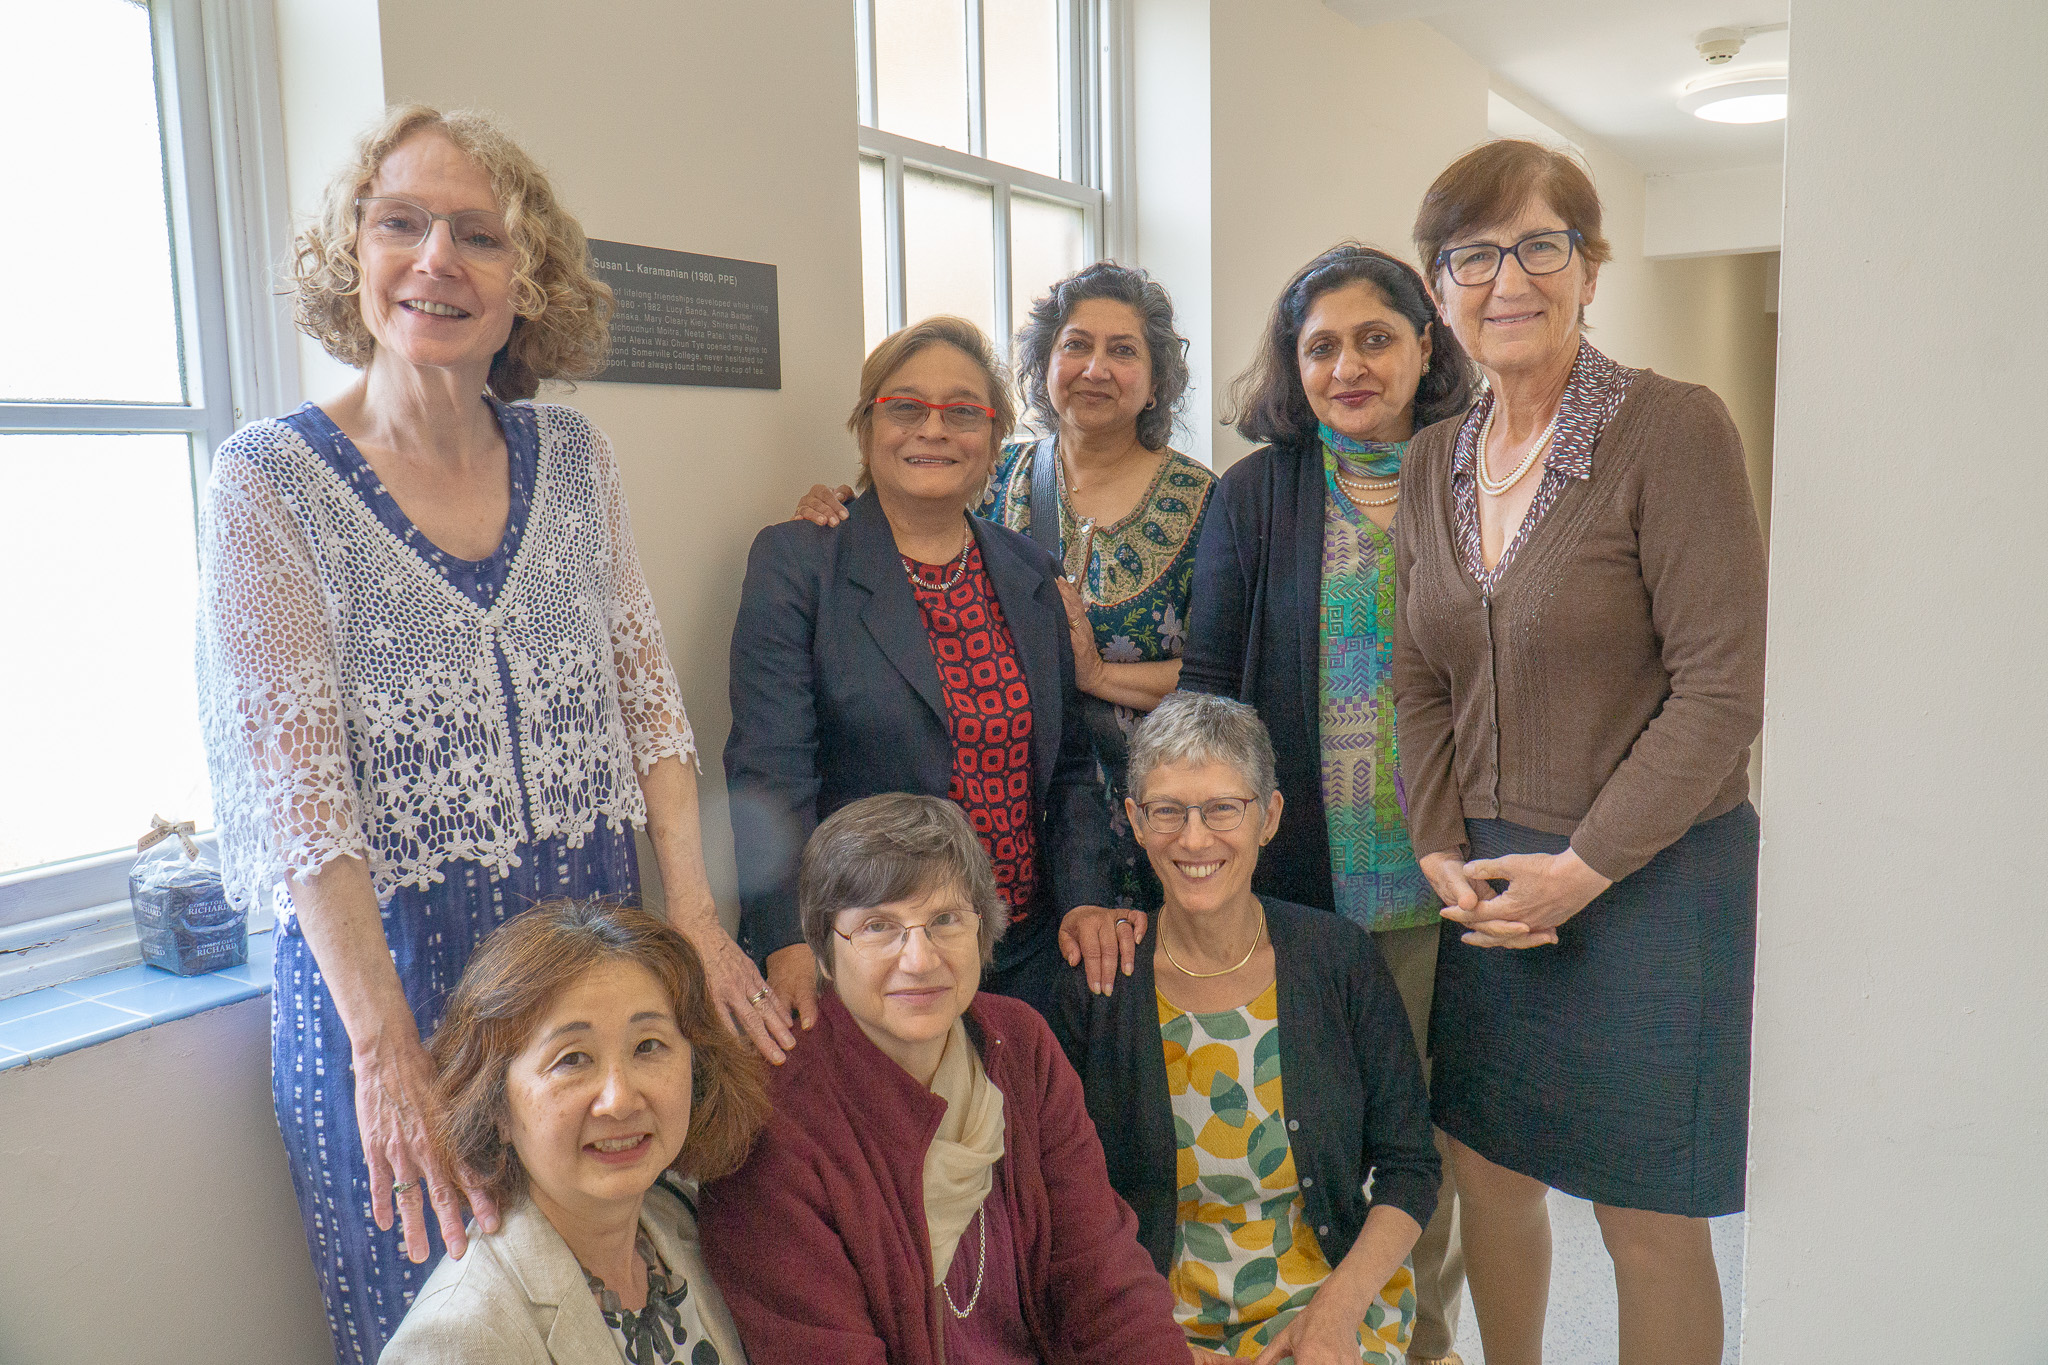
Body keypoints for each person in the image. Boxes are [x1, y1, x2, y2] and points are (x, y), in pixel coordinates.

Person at [195, 105, 788, 1364]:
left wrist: (694, 922)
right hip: (396, 996)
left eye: (478, 235)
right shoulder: (270, 484)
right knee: (455, 1327)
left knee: (620, 1303)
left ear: (529, 282)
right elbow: (302, 801)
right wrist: (383, 1053)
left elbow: (649, 708)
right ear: (349, 257)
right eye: (399, 223)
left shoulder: (572, 458)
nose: (436, 261)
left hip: (585, 968)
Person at [1393, 139, 1767, 1365]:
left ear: (1588, 268)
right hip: (1491, 883)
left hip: (1652, 875)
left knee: (1645, 1217)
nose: (1508, 279)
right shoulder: (1431, 460)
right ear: (1439, 285)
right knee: (1488, 1170)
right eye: (1472, 255)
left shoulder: (1670, 429)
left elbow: (1723, 689)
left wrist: (1586, 865)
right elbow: (1417, 677)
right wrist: (1436, 842)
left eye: (1539, 246)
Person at [1169, 243, 1478, 1365]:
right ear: (1291, 366)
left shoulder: (1474, 470)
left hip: (1449, 881)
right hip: (1300, 883)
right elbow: (1206, 688)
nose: (1347, 365)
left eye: (1373, 337)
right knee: (1301, 1131)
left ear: (1423, 343)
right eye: (1319, 347)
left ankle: (1419, 1340)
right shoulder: (1255, 494)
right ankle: (1307, 1319)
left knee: (1423, 1136)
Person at [698, 794, 1191, 1365]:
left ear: (983, 929)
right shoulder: (773, 1114)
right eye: (880, 926)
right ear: (823, 952)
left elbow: (1105, 1280)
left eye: (945, 920)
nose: (920, 959)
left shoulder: (1020, 1044)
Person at [793, 263, 1216, 921]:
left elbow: (1223, 675)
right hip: (1013, 819)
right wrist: (838, 506)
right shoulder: (989, 472)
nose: (1095, 367)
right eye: (1075, 345)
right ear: (1044, 365)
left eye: (1122, 350)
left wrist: (1097, 674)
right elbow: (899, 539)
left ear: (1157, 380)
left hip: (1156, 814)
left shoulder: (1209, 502)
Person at [725, 316, 1112, 1026]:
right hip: (872, 960)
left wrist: (1087, 896)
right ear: (868, 427)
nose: (933, 429)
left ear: (994, 441)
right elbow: (769, 773)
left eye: (963, 412)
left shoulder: (1031, 572)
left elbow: (1072, 767)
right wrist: (785, 939)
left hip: (1022, 957)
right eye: (905, 407)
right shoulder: (798, 565)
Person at [1054, 693, 1439, 1363]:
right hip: (1148, 1312)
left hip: (1324, 1296)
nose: (1195, 838)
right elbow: (1060, 1204)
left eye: (1223, 808)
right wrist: (1155, 1339)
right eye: (1168, 810)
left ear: (1269, 816)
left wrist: (1334, 1313)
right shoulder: (1100, 985)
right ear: (1135, 820)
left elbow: (1410, 1168)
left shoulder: (1339, 959)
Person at [383, 900, 767, 1363]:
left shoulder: (687, 1227)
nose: (620, 1099)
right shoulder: (458, 1338)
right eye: (572, 1059)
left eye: (648, 1045)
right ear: (495, 1107)